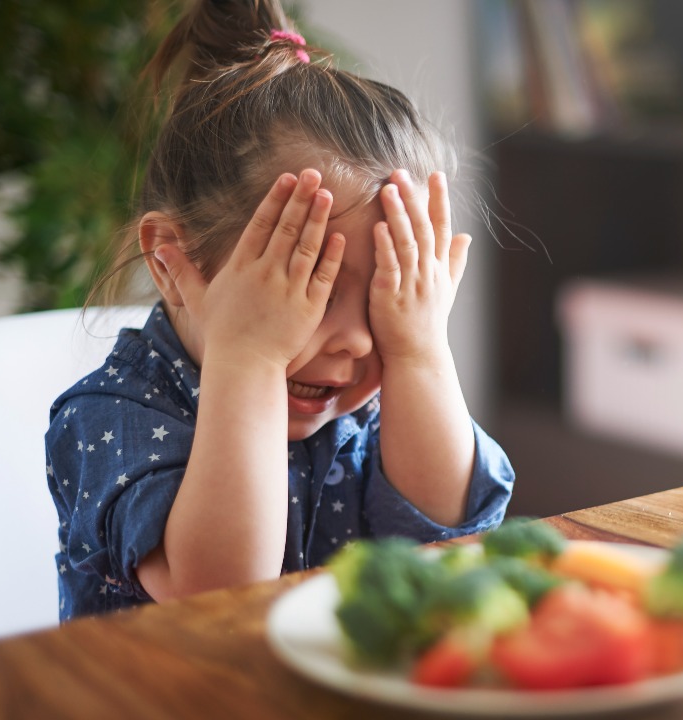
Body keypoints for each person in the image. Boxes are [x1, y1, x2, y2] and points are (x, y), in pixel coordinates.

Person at [45, 0, 513, 621]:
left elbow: (448, 534)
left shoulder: (373, 393)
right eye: (309, 290)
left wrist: (419, 348)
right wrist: (251, 357)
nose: (356, 342)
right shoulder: (114, 414)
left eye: (385, 300)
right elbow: (219, 593)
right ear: (171, 262)